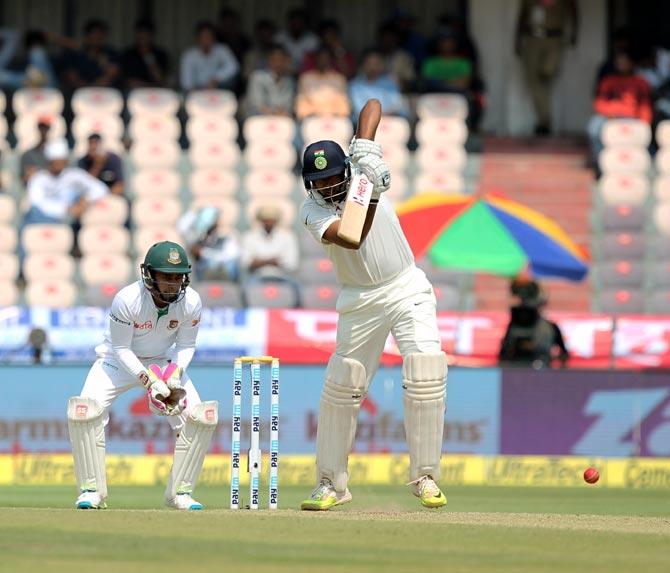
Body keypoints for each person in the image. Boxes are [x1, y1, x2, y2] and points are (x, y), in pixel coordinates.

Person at [298, 99, 448, 511]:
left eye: (333, 178)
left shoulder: (359, 170)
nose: (328, 188)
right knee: (342, 385)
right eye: (319, 182)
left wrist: (366, 147)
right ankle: (331, 483)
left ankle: (425, 476)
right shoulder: (311, 211)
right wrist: (372, 192)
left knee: (426, 368)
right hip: (359, 299)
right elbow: (350, 237)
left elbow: (373, 105)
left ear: (344, 168)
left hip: (405, 286)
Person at [67, 241, 218, 510]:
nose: (173, 284)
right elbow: (121, 347)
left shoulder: (191, 301)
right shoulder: (127, 299)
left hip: (163, 361)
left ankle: (180, 493)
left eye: (177, 277)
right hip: (116, 362)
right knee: (84, 411)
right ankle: (92, 490)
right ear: (149, 275)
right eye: (166, 276)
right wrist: (150, 382)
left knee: (200, 417)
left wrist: (174, 375)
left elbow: (186, 345)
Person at [22, 138, 108, 259]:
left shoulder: (74, 175)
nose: (58, 164)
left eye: (60, 161)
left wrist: (85, 200)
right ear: (49, 162)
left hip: (70, 222)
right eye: (54, 161)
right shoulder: (39, 179)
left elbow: (101, 189)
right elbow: (37, 203)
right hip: (45, 219)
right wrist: (66, 209)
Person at [515, 0, 578, 136]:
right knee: (533, 80)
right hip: (533, 38)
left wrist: (575, 33)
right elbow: (523, 15)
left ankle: (544, 120)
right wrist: (517, 39)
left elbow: (573, 10)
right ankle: (544, 121)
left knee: (547, 73)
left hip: (554, 38)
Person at [587, 50, 652, 168]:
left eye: (625, 62)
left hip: (633, 117)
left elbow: (645, 105)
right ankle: (600, 163)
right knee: (594, 128)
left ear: (631, 63)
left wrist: (645, 122)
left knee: (645, 133)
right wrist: (611, 113)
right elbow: (599, 103)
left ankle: (644, 167)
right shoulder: (608, 81)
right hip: (610, 116)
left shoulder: (641, 82)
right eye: (619, 62)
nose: (622, 65)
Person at [498, 278, 569, 368]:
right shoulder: (514, 327)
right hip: (517, 372)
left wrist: (551, 359)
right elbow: (503, 355)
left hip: (542, 373)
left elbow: (564, 356)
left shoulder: (550, 328)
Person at [177, 206, 241, 281]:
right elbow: (181, 227)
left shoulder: (227, 238)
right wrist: (194, 212)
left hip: (225, 279)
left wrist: (203, 253)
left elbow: (229, 258)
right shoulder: (197, 239)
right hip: (202, 279)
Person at [241, 204, 299, 285]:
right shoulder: (249, 237)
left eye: (271, 219)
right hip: (257, 276)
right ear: (260, 220)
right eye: (265, 220)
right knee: (247, 287)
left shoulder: (288, 237)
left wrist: (260, 261)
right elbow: (246, 262)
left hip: (282, 277)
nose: (268, 223)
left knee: (295, 287)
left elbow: (292, 263)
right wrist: (273, 261)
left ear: (276, 220)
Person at [180, 21, 239, 92]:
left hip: (218, 88)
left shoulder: (222, 50)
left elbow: (233, 67)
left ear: (213, 38)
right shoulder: (189, 55)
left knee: (232, 80)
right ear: (197, 38)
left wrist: (216, 79)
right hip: (197, 91)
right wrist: (195, 90)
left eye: (208, 36)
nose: (206, 40)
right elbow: (186, 82)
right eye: (203, 37)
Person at [60, 20, 120, 89]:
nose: (97, 39)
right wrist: (90, 87)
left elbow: (113, 74)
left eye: (100, 36)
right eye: (94, 35)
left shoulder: (110, 54)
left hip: (105, 94)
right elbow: (72, 78)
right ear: (86, 37)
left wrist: (105, 65)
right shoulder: (74, 55)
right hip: (79, 94)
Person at [349, 49, 407, 119]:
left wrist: (384, 116)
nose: (372, 67)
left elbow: (399, 107)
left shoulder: (390, 83)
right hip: (364, 123)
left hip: (389, 120)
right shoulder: (355, 85)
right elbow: (358, 110)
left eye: (376, 63)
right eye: (369, 63)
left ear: (382, 65)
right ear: (363, 64)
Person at [295, 46, 349, 119]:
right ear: (316, 59)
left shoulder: (339, 79)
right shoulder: (305, 78)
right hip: (312, 118)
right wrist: (317, 113)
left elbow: (344, 108)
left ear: (330, 60)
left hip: (335, 118)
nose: (323, 61)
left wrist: (330, 113)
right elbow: (301, 107)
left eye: (326, 58)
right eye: (321, 58)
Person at [245, 44, 295, 117]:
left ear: (287, 61)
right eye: (274, 60)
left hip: (282, 119)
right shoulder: (257, 77)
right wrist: (274, 112)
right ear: (268, 60)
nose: (278, 64)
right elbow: (255, 106)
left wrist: (280, 112)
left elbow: (288, 107)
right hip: (259, 119)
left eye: (281, 60)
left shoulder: (289, 81)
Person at [121, 20, 169, 89]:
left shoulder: (160, 54)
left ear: (151, 35)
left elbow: (161, 80)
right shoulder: (128, 54)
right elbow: (128, 82)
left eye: (146, 34)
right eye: (140, 33)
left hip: (155, 92)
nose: (143, 37)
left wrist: (148, 56)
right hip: (132, 93)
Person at [19, 115, 52, 184]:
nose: (43, 132)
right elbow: (24, 179)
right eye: (41, 128)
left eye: (46, 129)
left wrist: (37, 172)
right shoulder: (27, 155)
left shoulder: (60, 156)